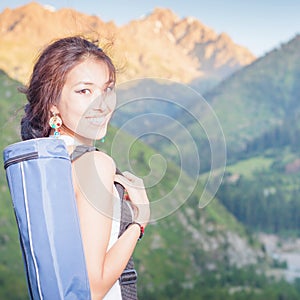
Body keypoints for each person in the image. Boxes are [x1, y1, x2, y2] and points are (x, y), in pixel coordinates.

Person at [20, 35, 150, 300]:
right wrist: (139, 221)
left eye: (107, 89)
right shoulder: (94, 164)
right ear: (52, 103)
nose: (101, 104)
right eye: (84, 91)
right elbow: (92, 288)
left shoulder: (49, 164)